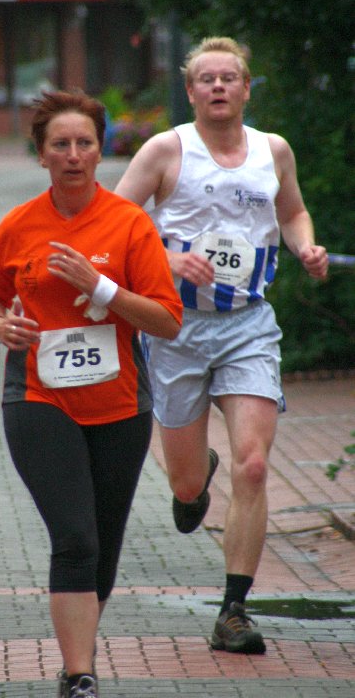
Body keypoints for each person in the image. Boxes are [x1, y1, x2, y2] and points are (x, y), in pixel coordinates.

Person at [114, 37, 328, 654]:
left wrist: (304, 246)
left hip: (247, 324)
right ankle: (194, 480)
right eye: (205, 79)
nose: (217, 87)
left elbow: (293, 213)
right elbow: (115, 220)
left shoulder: (273, 151)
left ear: (246, 88)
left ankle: (234, 609)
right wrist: (166, 257)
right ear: (190, 91)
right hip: (175, 326)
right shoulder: (166, 150)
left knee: (254, 464)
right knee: (186, 487)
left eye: (228, 78)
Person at [0, 90, 182, 698]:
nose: (72, 154)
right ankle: (79, 675)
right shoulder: (18, 226)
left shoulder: (129, 224)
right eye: (59, 144)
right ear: (41, 155)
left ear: (98, 151)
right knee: (75, 539)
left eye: (84, 143)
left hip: (120, 406)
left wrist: (102, 287)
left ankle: (78, 656)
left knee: (103, 550)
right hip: (38, 398)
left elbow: (168, 320)